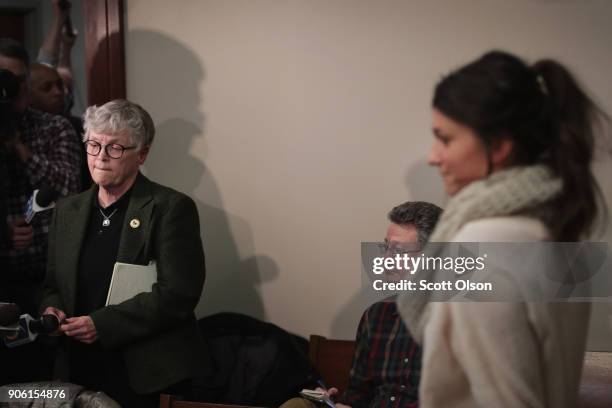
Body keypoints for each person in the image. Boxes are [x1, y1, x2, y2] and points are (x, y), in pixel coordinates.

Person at [397, 50, 609, 407]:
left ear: (498, 145)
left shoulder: (483, 245)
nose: (434, 156)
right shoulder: (558, 232)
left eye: (445, 139)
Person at [41, 99, 208, 407]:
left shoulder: (170, 208)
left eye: (115, 148)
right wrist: (52, 310)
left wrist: (102, 325)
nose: (101, 157)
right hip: (78, 368)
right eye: (94, 145)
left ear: (142, 154)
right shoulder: (68, 210)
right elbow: (54, 285)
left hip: (146, 373)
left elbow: (179, 294)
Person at [281, 201, 442, 408]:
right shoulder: (376, 316)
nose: (385, 259)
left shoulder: (465, 320)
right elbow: (358, 394)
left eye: (398, 251)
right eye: (386, 247)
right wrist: (339, 403)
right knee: (296, 405)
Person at [0, 37, 81, 315]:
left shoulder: (54, 127)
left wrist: (22, 151)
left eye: (22, 79)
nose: (17, 88)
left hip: (47, 278)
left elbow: (70, 189)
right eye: (7, 80)